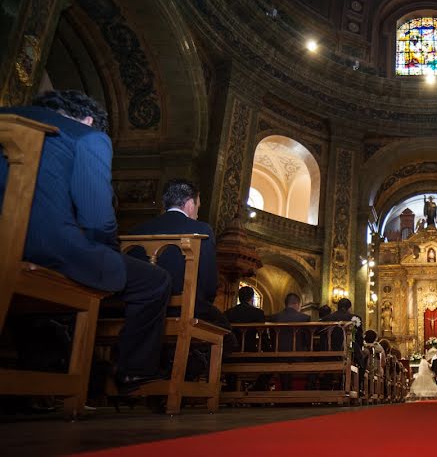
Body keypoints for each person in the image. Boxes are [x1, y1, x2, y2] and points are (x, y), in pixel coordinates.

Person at [0, 90, 171, 392]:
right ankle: (132, 371)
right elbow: (96, 218)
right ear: (90, 119)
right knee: (153, 280)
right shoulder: (87, 137)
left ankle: (42, 376)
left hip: (9, 246)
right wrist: (106, 246)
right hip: (45, 248)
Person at [129, 179, 235, 351]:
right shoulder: (202, 230)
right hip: (186, 309)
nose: (198, 213)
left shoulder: (137, 230)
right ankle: (189, 370)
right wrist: (202, 302)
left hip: (139, 308)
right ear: (190, 204)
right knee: (228, 335)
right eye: (198, 207)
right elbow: (209, 283)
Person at [225, 286, 265, 352]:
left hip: (232, 350)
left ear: (239, 298)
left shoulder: (229, 312)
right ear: (252, 298)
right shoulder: (258, 313)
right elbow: (262, 334)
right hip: (250, 350)